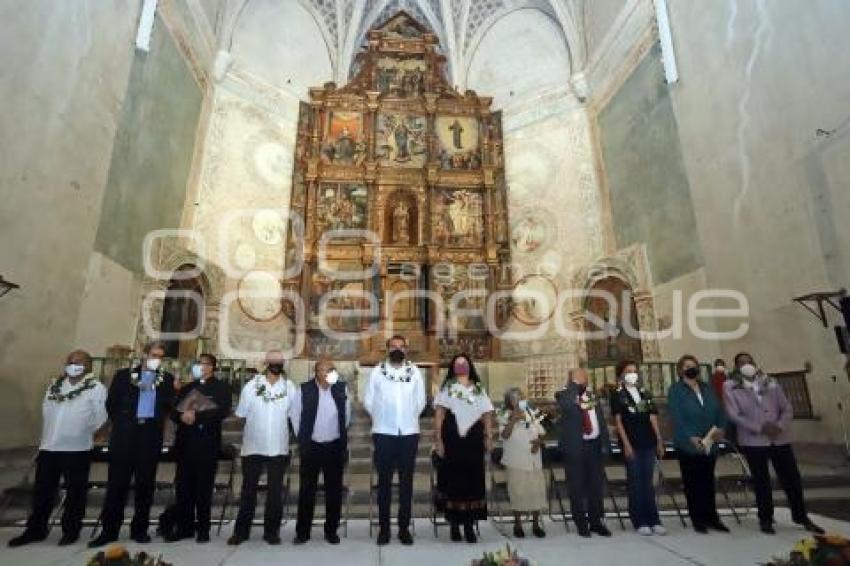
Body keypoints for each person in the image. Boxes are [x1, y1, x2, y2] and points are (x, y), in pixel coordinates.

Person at [9, 350, 107, 547]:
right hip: (49, 447)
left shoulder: (96, 388)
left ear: (88, 366)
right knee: (42, 491)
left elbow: (101, 417)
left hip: (77, 449)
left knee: (75, 493)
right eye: (70, 362)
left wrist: (81, 433)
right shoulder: (55, 385)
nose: (73, 365)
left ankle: (71, 530)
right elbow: (47, 411)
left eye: (78, 362)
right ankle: (36, 529)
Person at [723, 352, 824, 535]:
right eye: (742, 363)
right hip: (754, 441)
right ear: (736, 367)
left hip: (779, 438)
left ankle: (800, 515)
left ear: (755, 363)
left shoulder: (770, 382)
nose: (747, 364)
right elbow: (734, 414)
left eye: (749, 361)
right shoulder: (730, 386)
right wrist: (760, 428)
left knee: (792, 478)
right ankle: (766, 518)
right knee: (761, 481)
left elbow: (786, 407)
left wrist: (779, 426)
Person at [90, 341, 175, 547]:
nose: (156, 359)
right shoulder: (123, 376)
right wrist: (125, 420)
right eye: (153, 355)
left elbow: (168, 406)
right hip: (125, 436)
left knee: (145, 486)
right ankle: (109, 530)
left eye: (160, 357)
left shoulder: (166, 379)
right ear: (143, 354)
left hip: (150, 436)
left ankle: (139, 530)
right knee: (116, 485)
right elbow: (111, 404)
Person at [227, 350, 298, 546]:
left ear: (282, 363)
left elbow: (295, 416)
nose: (276, 362)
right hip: (253, 446)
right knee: (248, 490)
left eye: (279, 360)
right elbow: (241, 414)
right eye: (273, 359)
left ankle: (271, 532)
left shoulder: (289, 387)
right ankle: (241, 532)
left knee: (275, 492)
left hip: (278, 446)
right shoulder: (251, 386)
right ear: (266, 362)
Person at [363, 335, 427, 546]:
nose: (397, 349)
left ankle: (403, 528)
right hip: (383, 433)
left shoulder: (415, 372)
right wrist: (382, 419)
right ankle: (384, 529)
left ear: (406, 349)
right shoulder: (377, 372)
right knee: (384, 483)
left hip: (408, 434)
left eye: (401, 346)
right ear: (388, 349)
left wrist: (408, 418)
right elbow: (369, 400)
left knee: (406, 483)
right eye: (393, 346)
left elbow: (421, 401)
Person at [165, 354, 232, 543]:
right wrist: (181, 416)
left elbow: (222, 410)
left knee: (204, 489)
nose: (200, 367)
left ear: (212, 367)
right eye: (197, 364)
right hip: (185, 444)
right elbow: (173, 411)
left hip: (207, 444)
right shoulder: (187, 387)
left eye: (204, 364)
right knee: (183, 489)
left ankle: (203, 529)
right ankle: (184, 527)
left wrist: (197, 416)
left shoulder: (221, 388)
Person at [433, 354, 494, 543]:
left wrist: (489, 436)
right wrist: (438, 440)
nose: (461, 366)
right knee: (455, 480)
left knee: (473, 479)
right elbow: (440, 414)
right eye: (457, 363)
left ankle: (469, 526)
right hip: (452, 439)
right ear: (452, 367)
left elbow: (487, 414)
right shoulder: (448, 388)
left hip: (474, 440)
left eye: (464, 363)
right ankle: (454, 525)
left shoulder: (478, 389)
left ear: (470, 366)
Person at [290, 357, 351, 545]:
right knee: (307, 491)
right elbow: (294, 416)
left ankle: (331, 530)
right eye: (325, 370)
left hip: (334, 447)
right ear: (316, 373)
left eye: (332, 369)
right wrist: (304, 440)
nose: (330, 373)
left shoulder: (341, 389)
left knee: (334, 492)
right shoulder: (304, 390)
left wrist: (337, 435)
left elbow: (347, 416)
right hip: (312, 447)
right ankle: (303, 532)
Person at [667, 354, 728, 534]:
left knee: (708, 481)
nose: (691, 368)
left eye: (693, 365)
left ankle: (712, 517)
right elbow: (676, 416)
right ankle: (698, 518)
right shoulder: (676, 390)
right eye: (687, 366)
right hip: (689, 444)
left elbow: (720, 409)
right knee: (692, 483)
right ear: (680, 370)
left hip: (710, 441)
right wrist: (689, 436)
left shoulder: (707, 388)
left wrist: (721, 428)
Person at [610, 360, 666, 536]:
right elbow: (618, 422)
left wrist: (659, 440)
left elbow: (652, 417)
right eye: (628, 371)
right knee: (635, 482)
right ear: (621, 375)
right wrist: (626, 444)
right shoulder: (618, 395)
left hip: (648, 441)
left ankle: (654, 519)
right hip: (631, 442)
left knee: (648, 481)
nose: (632, 374)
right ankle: (639, 519)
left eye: (634, 371)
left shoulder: (644, 393)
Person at [554, 368, 611, 538]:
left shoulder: (592, 396)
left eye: (585, 376)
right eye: (581, 376)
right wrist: (574, 386)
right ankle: (581, 522)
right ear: (572, 378)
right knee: (576, 486)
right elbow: (568, 406)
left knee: (595, 485)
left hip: (594, 445)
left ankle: (595, 521)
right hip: (576, 447)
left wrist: (605, 443)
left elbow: (600, 420)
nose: (585, 378)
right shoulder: (564, 394)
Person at [498, 387, 547, 539]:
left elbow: (542, 433)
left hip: (534, 459)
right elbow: (504, 435)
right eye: (515, 398)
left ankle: (535, 524)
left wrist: (539, 442)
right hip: (516, 460)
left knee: (536, 492)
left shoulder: (532, 413)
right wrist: (513, 419)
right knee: (518, 492)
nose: (518, 400)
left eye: (521, 397)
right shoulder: (503, 414)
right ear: (509, 401)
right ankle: (518, 525)